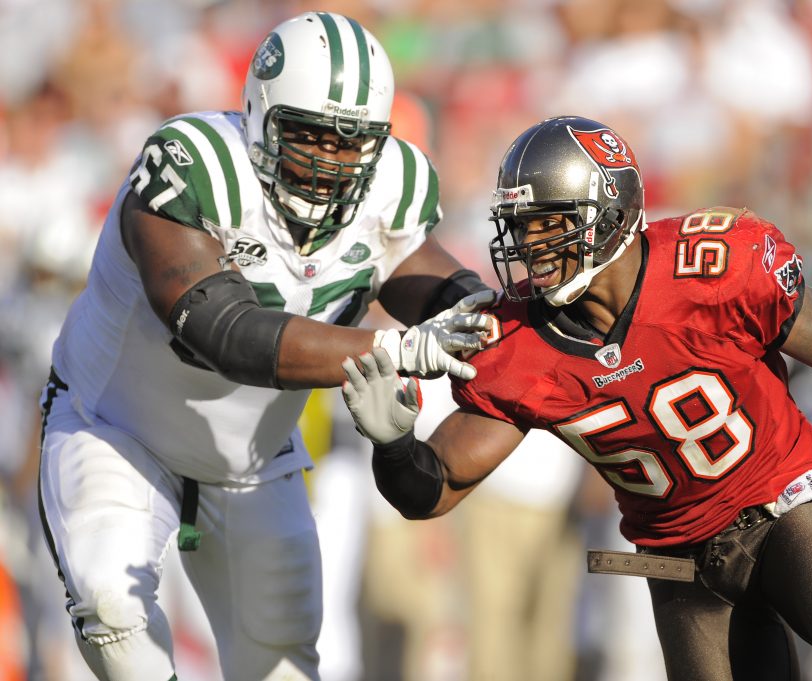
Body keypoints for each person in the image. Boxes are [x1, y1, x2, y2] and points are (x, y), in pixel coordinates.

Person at [340, 115, 812, 681]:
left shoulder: (711, 267)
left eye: (549, 225)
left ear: (609, 214)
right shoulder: (517, 345)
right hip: (679, 557)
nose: (531, 250)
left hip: (785, 503)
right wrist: (394, 443)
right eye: (521, 229)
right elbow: (436, 489)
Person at [37, 12, 494, 681]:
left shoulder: (393, 188)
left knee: (285, 660)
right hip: (116, 429)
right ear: (259, 114)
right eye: (309, 135)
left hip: (252, 456)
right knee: (112, 603)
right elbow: (220, 328)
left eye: (352, 144)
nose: (330, 163)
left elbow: (432, 282)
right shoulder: (194, 165)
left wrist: (493, 319)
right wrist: (393, 350)